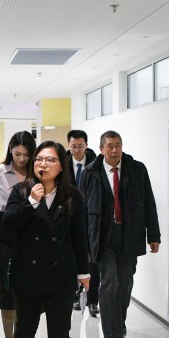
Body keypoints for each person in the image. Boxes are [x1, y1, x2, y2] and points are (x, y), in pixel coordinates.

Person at [3, 141, 89, 338]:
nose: (42, 164)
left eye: (50, 160)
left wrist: (84, 272)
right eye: (39, 159)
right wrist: (31, 203)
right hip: (27, 275)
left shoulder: (73, 196)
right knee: (25, 331)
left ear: (61, 166)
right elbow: (7, 226)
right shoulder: (21, 192)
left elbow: (80, 237)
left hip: (60, 277)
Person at [82, 131, 160, 338]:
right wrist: (84, 244)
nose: (114, 150)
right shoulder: (90, 173)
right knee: (110, 283)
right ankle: (111, 337)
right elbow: (82, 211)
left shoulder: (137, 169)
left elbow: (149, 202)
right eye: (110, 146)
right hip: (102, 237)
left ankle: (119, 323)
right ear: (101, 149)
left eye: (118, 145)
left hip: (130, 235)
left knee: (125, 284)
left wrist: (154, 235)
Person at [0, 131, 36, 338]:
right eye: (17, 154)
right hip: (4, 234)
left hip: (31, 234)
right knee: (6, 290)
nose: (22, 159)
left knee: (27, 289)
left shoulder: (37, 172)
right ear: (10, 151)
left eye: (26, 154)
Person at [67, 129, 99, 316]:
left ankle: (93, 300)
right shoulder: (63, 165)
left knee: (93, 261)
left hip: (92, 217)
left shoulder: (96, 165)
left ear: (86, 145)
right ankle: (75, 296)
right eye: (73, 146)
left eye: (80, 146)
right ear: (69, 146)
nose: (77, 150)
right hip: (70, 217)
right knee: (73, 258)